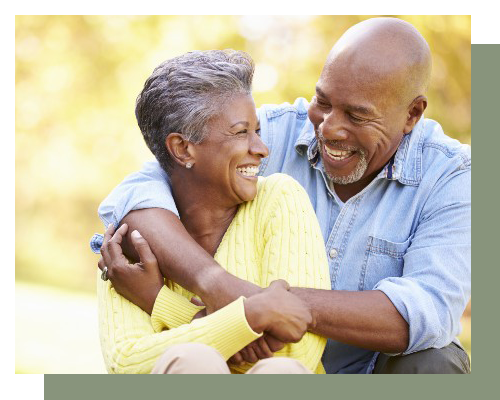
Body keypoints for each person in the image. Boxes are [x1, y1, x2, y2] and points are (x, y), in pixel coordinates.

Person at [96, 17, 471, 373]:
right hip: (258, 364)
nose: (330, 128)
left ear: (412, 114)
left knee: (437, 360)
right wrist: (216, 285)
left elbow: (426, 311)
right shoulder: (268, 133)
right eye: (323, 101)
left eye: (357, 116)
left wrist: (257, 307)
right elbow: (138, 194)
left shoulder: (454, 176)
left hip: (370, 370)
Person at [91, 49, 331, 374]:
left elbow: (296, 351)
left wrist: (162, 303)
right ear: (183, 148)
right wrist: (249, 318)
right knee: (193, 362)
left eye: (257, 130)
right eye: (240, 132)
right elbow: (128, 363)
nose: (261, 149)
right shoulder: (129, 241)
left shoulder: (280, 198)